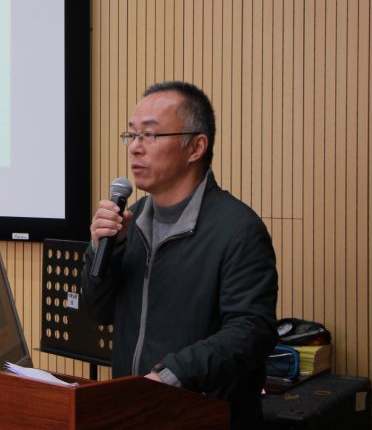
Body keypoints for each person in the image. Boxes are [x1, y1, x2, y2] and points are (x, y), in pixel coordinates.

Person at [81, 81, 278, 430]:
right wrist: (104, 250)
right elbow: (99, 311)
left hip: (199, 416)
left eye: (150, 135)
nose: (135, 148)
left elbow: (250, 332)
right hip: (134, 412)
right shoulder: (131, 223)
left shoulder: (238, 229)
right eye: (131, 135)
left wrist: (171, 376)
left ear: (196, 147)